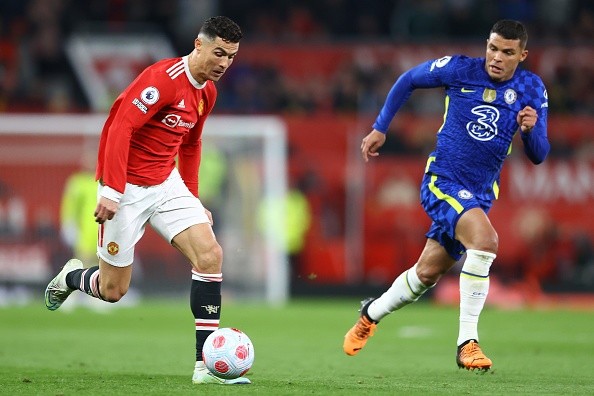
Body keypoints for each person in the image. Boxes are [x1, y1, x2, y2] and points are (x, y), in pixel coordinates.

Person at [44, 16, 248, 385]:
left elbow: (191, 144)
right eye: (219, 53)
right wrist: (112, 189)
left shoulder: (207, 93)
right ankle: (72, 276)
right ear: (198, 45)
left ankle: (205, 365)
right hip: (127, 189)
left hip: (166, 183)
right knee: (113, 291)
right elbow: (120, 125)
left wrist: (192, 196)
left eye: (231, 57)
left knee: (210, 255)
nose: (223, 63)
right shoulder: (162, 81)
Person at [343, 19, 550, 371]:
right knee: (485, 242)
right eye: (493, 48)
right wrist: (380, 127)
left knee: (426, 274)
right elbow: (407, 80)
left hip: (481, 192)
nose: (496, 57)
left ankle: (370, 313)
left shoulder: (531, 88)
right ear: (486, 45)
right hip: (443, 180)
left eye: (507, 52)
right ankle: (467, 343)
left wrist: (529, 131)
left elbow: (540, 153)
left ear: (523, 55)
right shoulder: (459, 69)